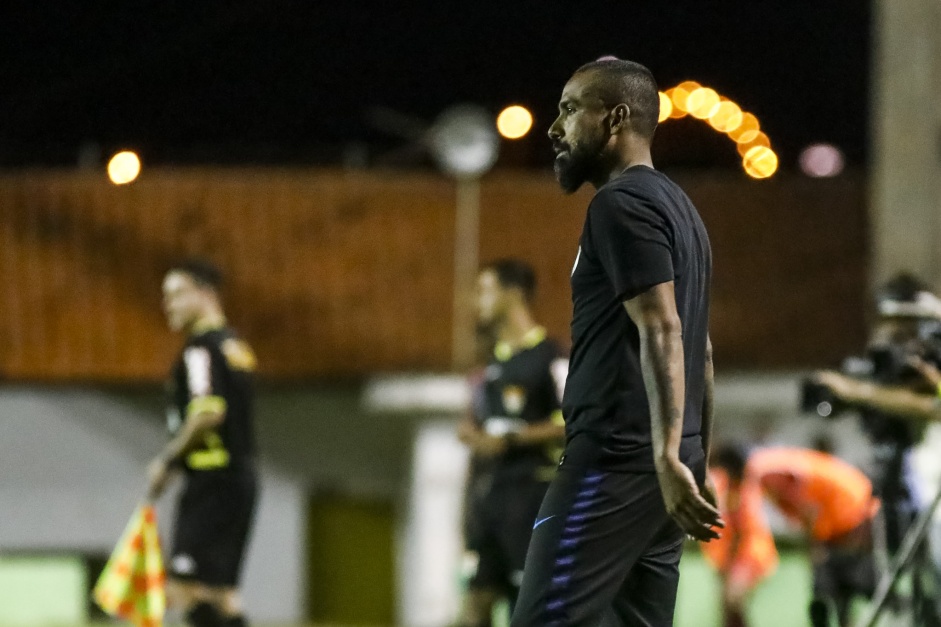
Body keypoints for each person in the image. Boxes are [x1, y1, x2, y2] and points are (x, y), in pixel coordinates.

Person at [510, 57, 722, 627]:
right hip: (657, 464)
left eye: (571, 109)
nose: (555, 128)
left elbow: (663, 328)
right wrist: (693, 454)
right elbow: (698, 347)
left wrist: (666, 453)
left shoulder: (620, 204)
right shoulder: (683, 209)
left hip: (614, 460)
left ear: (615, 118)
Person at [146, 260, 258, 627]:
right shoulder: (235, 347)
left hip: (212, 481)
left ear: (206, 294)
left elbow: (208, 413)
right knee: (223, 593)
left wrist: (168, 460)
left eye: (177, 294)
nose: (169, 305)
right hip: (241, 477)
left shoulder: (200, 350)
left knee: (185, 589)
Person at [457, 259, 567, 627]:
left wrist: (510, 439)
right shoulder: (489, 365)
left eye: (485, 290)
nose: (478, 301)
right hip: (490, 502)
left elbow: (575, 423)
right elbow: (475, 427)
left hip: (533, 499)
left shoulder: (551, 356)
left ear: (513, 293)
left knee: (528, 611)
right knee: (475, 605)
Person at [708, 445, 879, 627]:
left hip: (851, 511)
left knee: (845, 583)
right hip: (846, 509)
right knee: (839, 587)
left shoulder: (762, 471)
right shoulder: (765, 464)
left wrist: (814, 545)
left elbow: (806, 508)